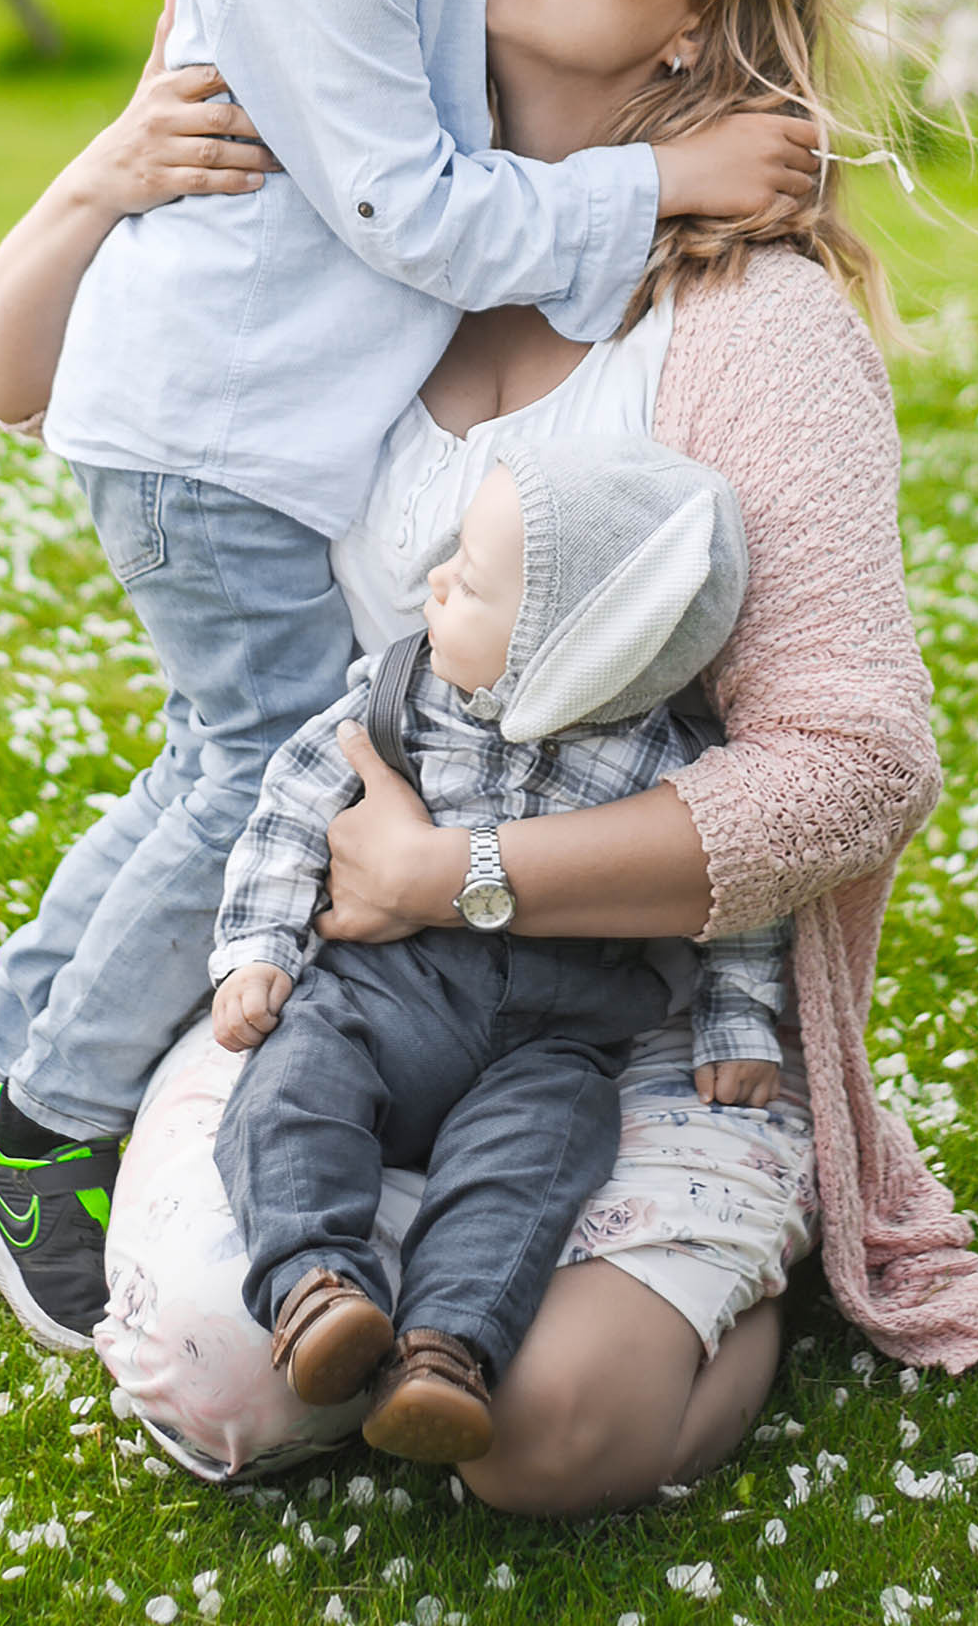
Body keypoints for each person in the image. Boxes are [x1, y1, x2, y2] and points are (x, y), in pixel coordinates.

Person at [0, 0, 978, 1508]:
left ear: (700, 10)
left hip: (636, 1013)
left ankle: (727, 1255)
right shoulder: (378, 234)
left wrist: (463, 873)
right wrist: (107, 164)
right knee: (219, 1381)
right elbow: (30, 386)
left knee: (541, 1436)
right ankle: (378, 1253)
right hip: (349, 987)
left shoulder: (747, 322)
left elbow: (860, 765)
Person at [0, 0, 820, 1348]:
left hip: (226, 419)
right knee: (256, 772)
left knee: (198, 754)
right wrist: (666, 178)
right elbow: (421, 210)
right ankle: (48, 1126)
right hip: (213, 433)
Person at [208, 438, 783, 1463]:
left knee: (541, 1150)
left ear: (569, 650)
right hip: (387, 993)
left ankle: (444, 1350)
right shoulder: (400, 696)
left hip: (557, 1035)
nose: (433, 580)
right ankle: (314, 1287)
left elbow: (733, 891)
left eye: (467, 580)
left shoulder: (668, 759)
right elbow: (293, 805)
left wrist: (734, 1018)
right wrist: (256, 948)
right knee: (293, 1079)